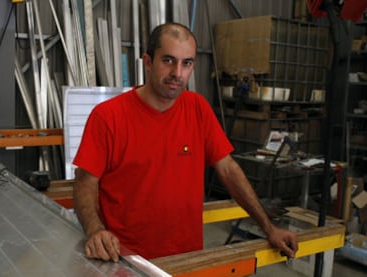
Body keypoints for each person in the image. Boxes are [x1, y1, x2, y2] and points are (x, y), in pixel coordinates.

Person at [73, 22, 298, 262]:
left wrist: (269, 228)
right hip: (125, 260)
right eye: (168, 60)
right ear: (148, 62)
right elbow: (85, 184)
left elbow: (228, 170)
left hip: (187, 260)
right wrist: (95, 231)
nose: (177, 73)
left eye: (186, 63)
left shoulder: (198, 108)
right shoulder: (108, 116)